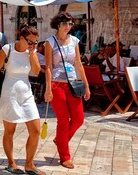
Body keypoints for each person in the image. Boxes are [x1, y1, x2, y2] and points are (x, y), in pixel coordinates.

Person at [0, 25, 43, 175]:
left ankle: (29, 164)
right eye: (30, 42)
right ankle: (11, 163)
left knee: (35, 130)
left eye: (35, 42)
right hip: (9, 93)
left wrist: (32, 54)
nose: (33, 45)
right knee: (10, 131)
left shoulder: (31, 52)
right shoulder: (8, 49)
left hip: (26, 94)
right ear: (21, 38)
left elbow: (37, 71)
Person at [45, 12, 90, 170]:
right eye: (65, 23)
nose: (68, 26)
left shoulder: (75, 41)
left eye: (70, 24)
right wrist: (48, 88)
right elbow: (49, 67)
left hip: (73, 83)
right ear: (58, 24)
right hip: (57, 84)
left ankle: (60, 140)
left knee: (78, 119)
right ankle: (65, 156)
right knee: (63, 120)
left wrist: (86, 85)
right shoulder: (50, 42)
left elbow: (78, 64)